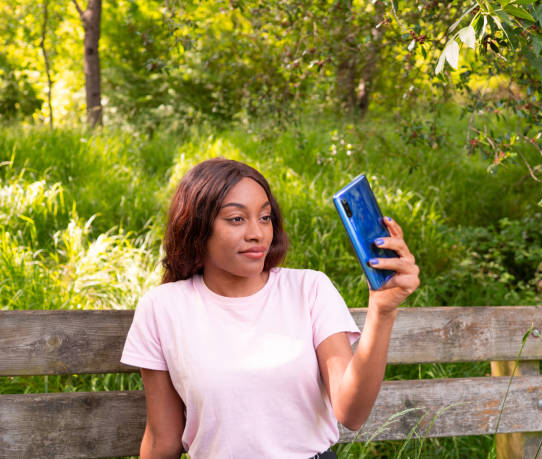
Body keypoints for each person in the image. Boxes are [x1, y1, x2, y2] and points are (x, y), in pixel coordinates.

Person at [121, 158, 420, 459]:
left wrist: (382, 312)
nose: (257, 233)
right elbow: (163, 441)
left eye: (264, 218)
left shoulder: (309, 289)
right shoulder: (162, 308)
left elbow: (351, 413)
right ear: (196, 227)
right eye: (236, 219)